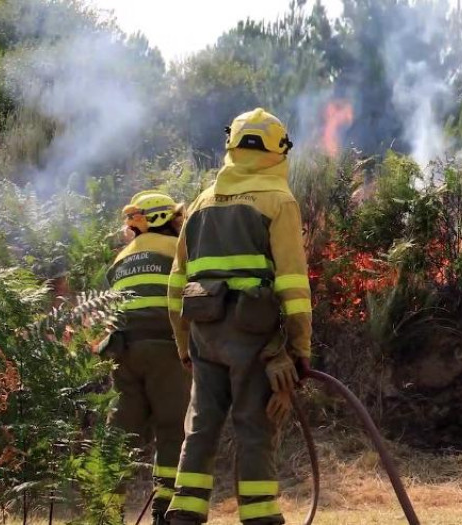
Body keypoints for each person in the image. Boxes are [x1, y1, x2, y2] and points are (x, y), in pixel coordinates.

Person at [165, 108, 311, 525]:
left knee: (201, 429)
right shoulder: (279, 201)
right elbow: (293, 287)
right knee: (256, 426)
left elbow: (176, 287)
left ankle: (183, 515)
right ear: (277, 151)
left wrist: (183, 346)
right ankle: (262, 518)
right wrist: (298, 349)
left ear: (232, 146)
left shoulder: (200, 204)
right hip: (256, 338)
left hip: (204, 334)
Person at [102, 191, 191, 525]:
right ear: (164, 219)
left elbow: (106, 308)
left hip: (124, 356)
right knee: (171, 431)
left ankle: (106, 512)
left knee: (120, 436)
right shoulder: (179, 249)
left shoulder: (119, 259)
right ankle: (164, 512)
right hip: (167, 351)